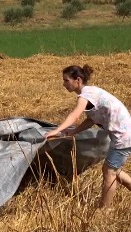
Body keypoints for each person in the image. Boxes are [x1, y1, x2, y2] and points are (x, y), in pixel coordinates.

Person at [43, 64, 131, 209]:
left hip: (123, 136)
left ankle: (104, 210)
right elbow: (91, 120)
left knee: (109, 171)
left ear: (77, 80)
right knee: (114, 169)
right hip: (123, 134)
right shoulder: (91, 94)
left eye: (66, 80)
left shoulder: (85, 95)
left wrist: (56, 130)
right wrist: (72, 132)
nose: (64, 84)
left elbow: (75, 114)